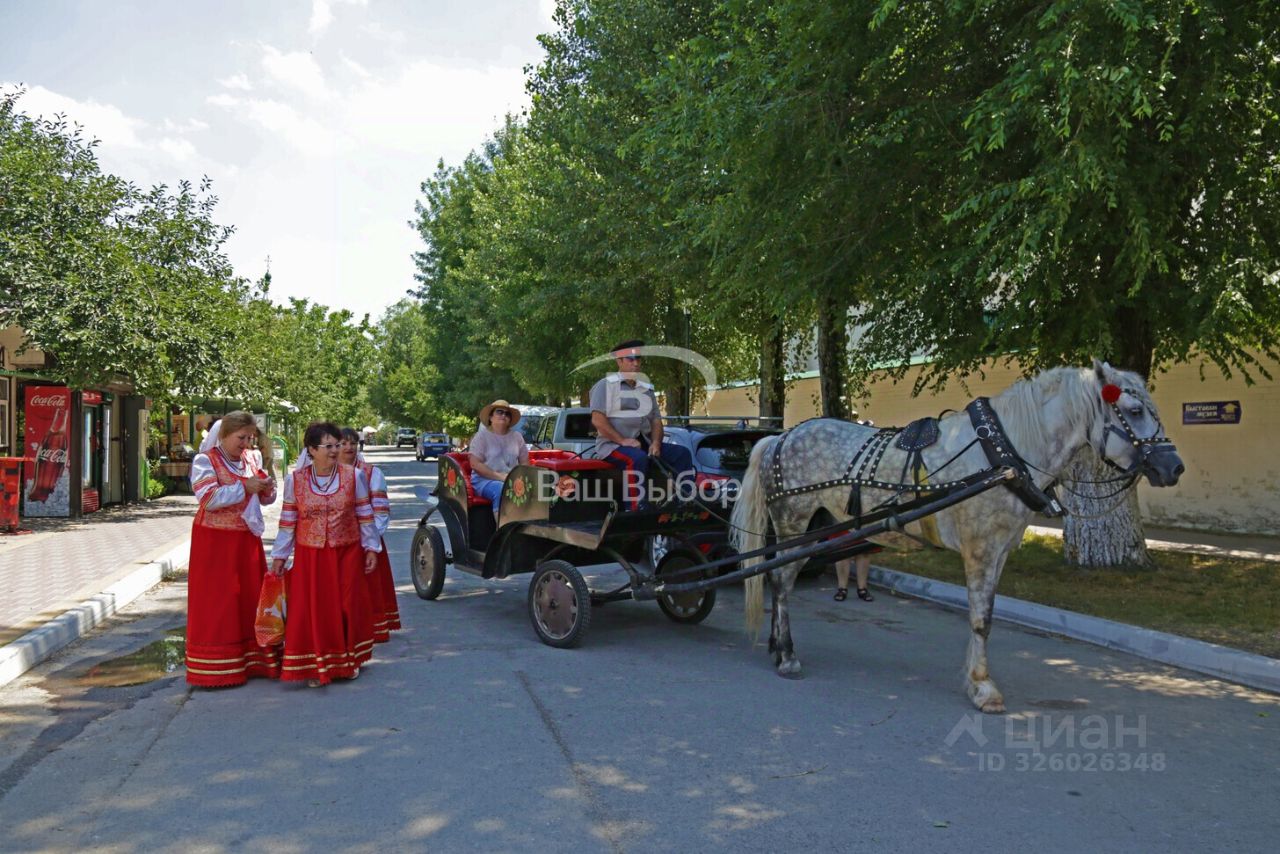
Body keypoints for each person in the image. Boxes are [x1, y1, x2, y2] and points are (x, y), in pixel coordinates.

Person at [270, 421, 381, 686]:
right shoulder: (295, 480)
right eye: (328, 446)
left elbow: (364, 514)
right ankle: (317, 665)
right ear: (311, 450)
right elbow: (288, 520)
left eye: (337, 445)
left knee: (346, 605)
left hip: (347, 551)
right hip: (311, 555)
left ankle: (348, 661)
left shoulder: (354, 476)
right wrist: (280, 555)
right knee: (315, 609)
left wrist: (371, 547)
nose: (335, 451)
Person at [185, 412, 280, 687]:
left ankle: (253, 661)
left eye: (250, 438)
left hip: (246, 538)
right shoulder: (206, 461)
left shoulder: (252, 458)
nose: (246, 443)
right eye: (241, 437)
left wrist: (266, 489)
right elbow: (208, 499)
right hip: (214, 542)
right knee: (218, 601)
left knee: (250, 597)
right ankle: (216, 667)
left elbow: (264, 499)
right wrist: (245, 487)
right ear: (224, 434)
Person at [589, 339, 694, 509]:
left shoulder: (646, 388)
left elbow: (656, 420)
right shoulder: (605, 385)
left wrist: (656, 443)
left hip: (644, 443)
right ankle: (635, 508)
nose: (636, 363)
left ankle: (685, 501)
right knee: (637, 459)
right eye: (630, 359)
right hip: (613, 446)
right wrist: (623, 441)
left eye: (638, 359)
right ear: (619, 361)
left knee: (682, 454)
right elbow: (598, 420)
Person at [340, 427, 399, 642]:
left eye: (353, 443)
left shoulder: (371, 473)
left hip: (366, 539)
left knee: (366, 586)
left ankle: (369, 627)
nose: (349, 448)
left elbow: (380, 511)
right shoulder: (326, 472)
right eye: (344, 443)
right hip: (338, 541)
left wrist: (370, 540)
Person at [468, 400, 529, 515]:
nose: (504, 415)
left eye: (507, 414)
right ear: (491, 417)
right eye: (499, 412)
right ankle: (502, 525)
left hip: (511, 480)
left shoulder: (517, 437)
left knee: (535, 488)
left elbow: (525, 463)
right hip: (484, 481)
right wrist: (501, 477)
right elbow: (475, 464)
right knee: (501, 489)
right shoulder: (481, 436)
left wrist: (520, 479)